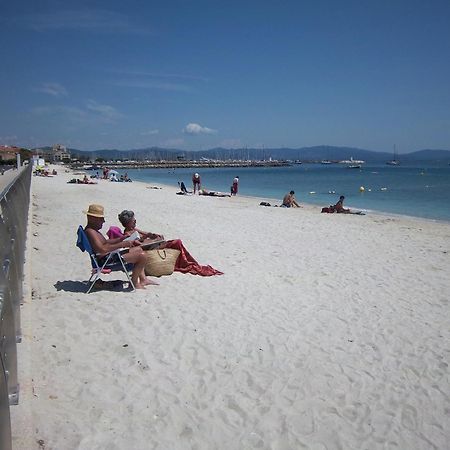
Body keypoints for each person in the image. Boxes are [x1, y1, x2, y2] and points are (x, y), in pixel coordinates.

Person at [113, 210, 223, 276]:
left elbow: (148, 235)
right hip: (150, 250)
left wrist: (154, 236)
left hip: (153, 246)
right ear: (128, 222)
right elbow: (138, 246)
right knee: (177, 242)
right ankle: (187, 263)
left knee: (173, 242)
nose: (135, 221)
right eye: (133, 220)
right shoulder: (128, 233)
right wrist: (150, 239)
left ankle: (186, 262)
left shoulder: (135, 229)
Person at [84, 204, 158, 289]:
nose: (103, 221)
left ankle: (143, 279)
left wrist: (121, 239)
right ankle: (134, 284)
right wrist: (122, 244)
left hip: (108, 257)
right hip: (106, 261)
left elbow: (106, 242)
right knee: (142, 256)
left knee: (138, 249)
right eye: (101, 219)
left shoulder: (92, 230)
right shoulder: (91, 232)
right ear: (92, 218)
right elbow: (102, 249)